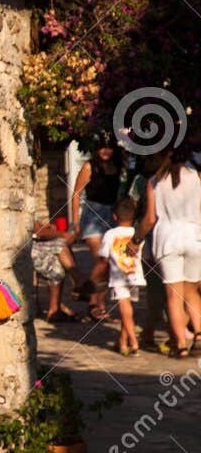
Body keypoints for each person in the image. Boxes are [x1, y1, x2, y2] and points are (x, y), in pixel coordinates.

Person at [136, 148, 201, 356]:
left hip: (168, 239)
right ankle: (199, 334)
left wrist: (136, 239)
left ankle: (180, 345)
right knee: (191, 291)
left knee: (173, 296)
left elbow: (150, 219)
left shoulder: (154, 182)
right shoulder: (197, 177)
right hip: (194, 236)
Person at [71, 137, 125, 320]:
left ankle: (97, 305)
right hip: (92, 215)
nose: (106, 151)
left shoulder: (118, 167)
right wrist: (75, 222)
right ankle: (86, 289)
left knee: (109, 265)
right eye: (102, 147)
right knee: (103, 261)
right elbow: (76, 194)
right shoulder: (89, 166)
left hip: (111, 216)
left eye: (110, 147)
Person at [100, 199, 145, 355]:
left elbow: (103, 258)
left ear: (114, 216)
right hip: (134, 275)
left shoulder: (110, 234)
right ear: (134, 217)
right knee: (128, 310)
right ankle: (122, 342)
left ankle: (133, 341)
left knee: (124, 310)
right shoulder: (137, 234)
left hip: (118, 277)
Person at [30, 215, 81, 321]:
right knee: (60, 245)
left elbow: (36, 227)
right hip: (26, 248)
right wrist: (63, 234)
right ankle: (79, 283)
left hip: (33, 244)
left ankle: (54, 309)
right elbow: (39, 232)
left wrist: (45, 227)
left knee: (56, 262)